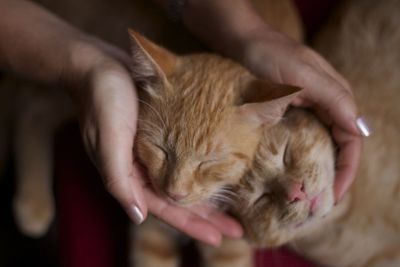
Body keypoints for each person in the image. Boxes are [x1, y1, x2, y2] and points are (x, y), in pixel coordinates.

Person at [0, 0, 368, 247]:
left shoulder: (265, 110)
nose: (174, 188)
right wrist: (82, 66)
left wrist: (247, 33)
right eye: (160, 149)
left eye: (207, 164)